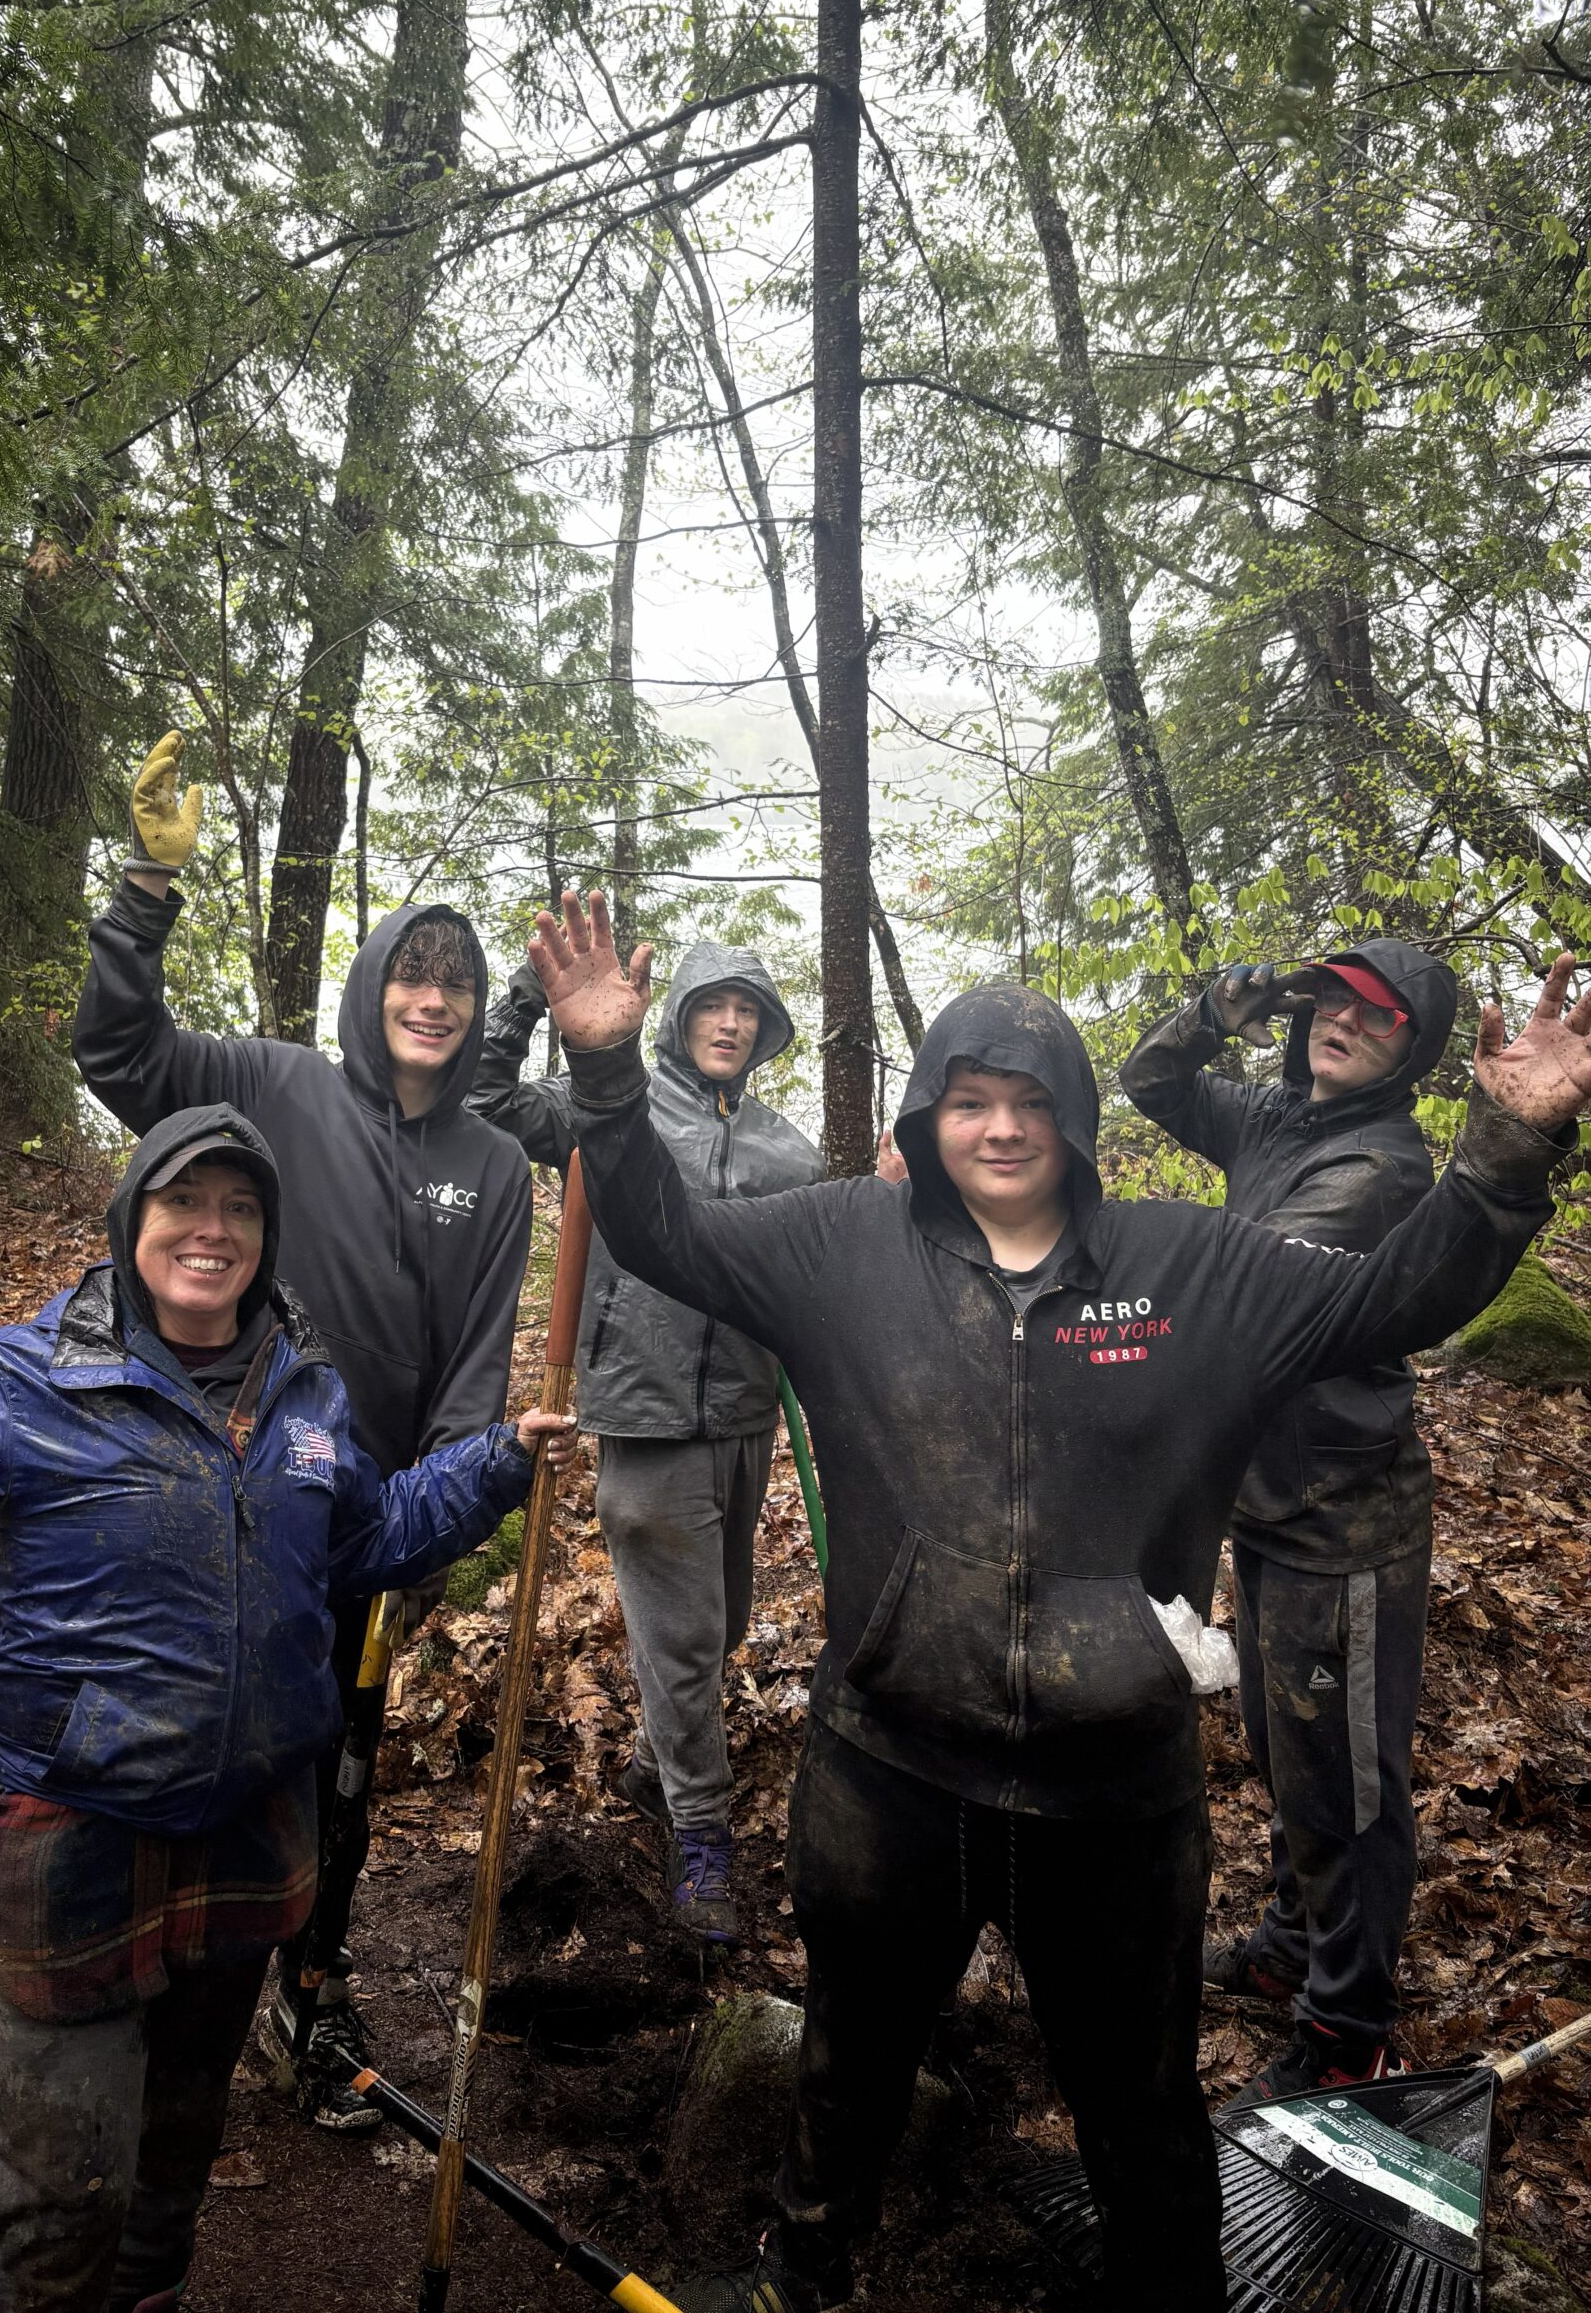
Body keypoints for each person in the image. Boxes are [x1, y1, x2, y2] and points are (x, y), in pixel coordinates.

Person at [525, 890, 1589, 2313]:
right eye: (969, 1101)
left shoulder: (1189, 1264)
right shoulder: (839, 1245)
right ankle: (803, 2277)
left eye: (1033, 1101)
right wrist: (606, 1066)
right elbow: (661, 1231)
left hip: (1115, 1798)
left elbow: (1394, 1298)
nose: (1003, 1128)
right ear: (926, 1118)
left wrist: (1508, 1149)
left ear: (1078, 1120)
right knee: (849, 2058)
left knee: (1139, 2099)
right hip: (889, 1770)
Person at [0, 1105, 572, 2313]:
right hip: (66, 1844)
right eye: (182, 1199)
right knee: (64, 2208)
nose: (213, 1229)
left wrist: (497, 1460)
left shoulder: (304, 1389)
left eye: (241, 1207)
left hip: (246, 1837)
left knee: (168, 2176)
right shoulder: (30, 1380)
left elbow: (365, 1538)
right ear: (130, 1218)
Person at [71, 734, 534, 2120]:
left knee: (334, 1768)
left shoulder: (494, 1165)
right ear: (371, 981)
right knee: (175, 1718)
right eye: (412, 973)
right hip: (211, 1482)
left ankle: (309, 1994)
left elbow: (476, 1357)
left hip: (364, 1519)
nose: (433, 999)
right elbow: (121, 1052)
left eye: (456, 983)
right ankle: (132, 1969)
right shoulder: (274, 1081)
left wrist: (437, 1523)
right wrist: (147, 889)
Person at [1120, 941, 1458, 2098]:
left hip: (1344, 1513)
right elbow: (1150, 1081)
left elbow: (1248, 1282)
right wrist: (1217, 1008)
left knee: (1345, 1781)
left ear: (1411, 1047)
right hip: (1264, 1494)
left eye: (1377, 1014)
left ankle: (1348, 2029)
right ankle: (1290, 1944)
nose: (1341, 1021)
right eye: (1331, 998)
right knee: (1282, 1743)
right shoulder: (1272, 1118)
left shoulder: (1383, 1163)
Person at [469, 940, 823, 1945]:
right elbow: (486, 1102)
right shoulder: (606, 1111)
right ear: (677, 1016)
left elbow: (810, 1275)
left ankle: (648, 1769)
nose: (730, 1023)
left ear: (766, 1028)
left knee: (721, 1624)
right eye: (711, 1004)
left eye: (747, 1009)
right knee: (687, 1643)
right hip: (644, 1411)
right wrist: (525, 999)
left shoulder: (789, 1153)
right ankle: (699, 1833)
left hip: (745, 1416)